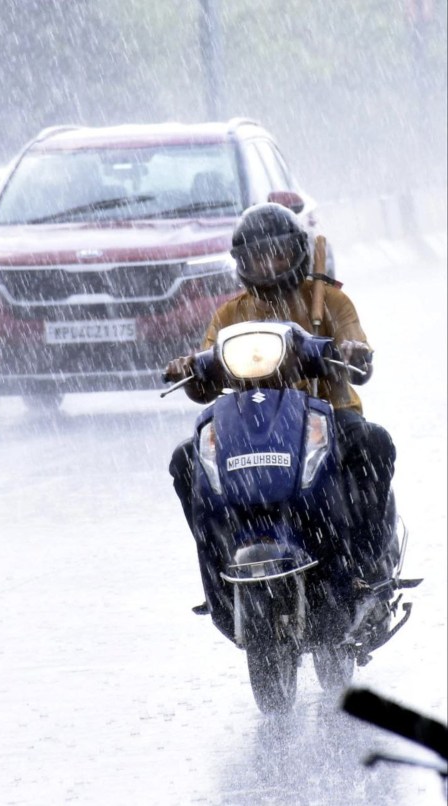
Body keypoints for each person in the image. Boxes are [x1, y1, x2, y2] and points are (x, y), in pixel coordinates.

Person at [165, 203, 398, 603]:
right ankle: (218, 576)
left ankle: (367, 562)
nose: (269, 265)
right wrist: (190, 367)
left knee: (373, 444)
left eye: (278, 253)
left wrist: (352, 351)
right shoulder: (228, 314)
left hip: (329, 415)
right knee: (187, 462)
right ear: (240, 262)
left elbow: (357, 351)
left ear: (298, 253)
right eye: (256, 256)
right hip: (254, 423)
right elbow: (203, 379)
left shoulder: (330, 302)